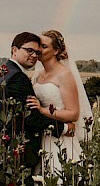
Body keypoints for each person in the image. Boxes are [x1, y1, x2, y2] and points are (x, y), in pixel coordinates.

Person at [0, 31, 70, 180]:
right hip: (15, 152)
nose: (34, 55)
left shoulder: (6, 71)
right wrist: (64, 128)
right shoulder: (17, 77)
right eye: (29, 50)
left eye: (37, 52)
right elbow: (29, 118)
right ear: (14, 50)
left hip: (7, 148)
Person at [26, 29, 93, 175]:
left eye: (44, 47)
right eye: (39, 46)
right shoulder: (37, 75)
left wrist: (43, 110)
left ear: (56, 50)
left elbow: (73, 114)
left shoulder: (64, 75)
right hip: (42, 136)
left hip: (61, 138)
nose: (39, 51)